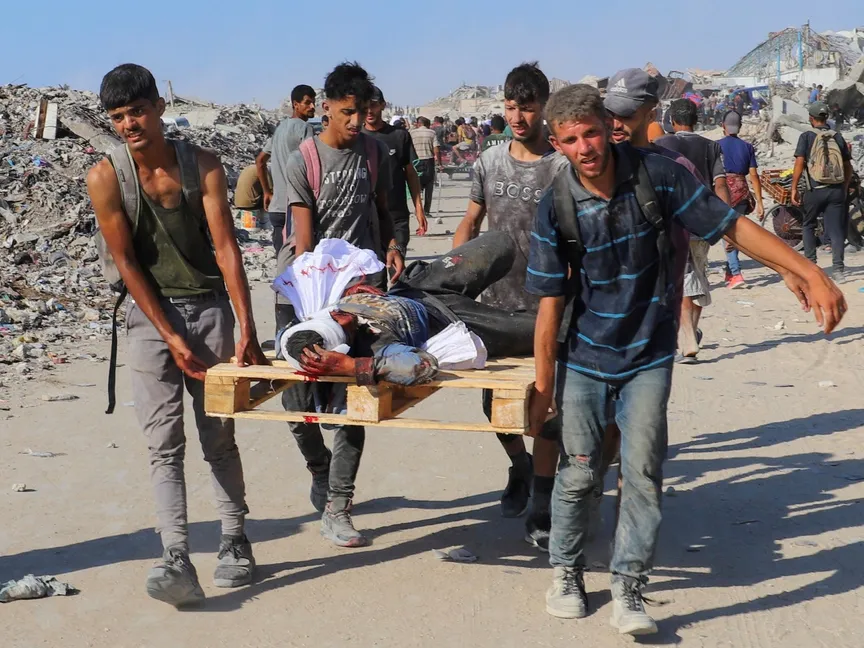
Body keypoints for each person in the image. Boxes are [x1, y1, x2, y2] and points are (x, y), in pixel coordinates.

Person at [527, 82, 845, 635]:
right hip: (585, 358)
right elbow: (550, 306)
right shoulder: (555, 205)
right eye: (571, 140)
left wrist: (805, 270)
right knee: (578, 473)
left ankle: (629, 586)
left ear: (608, 129)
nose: (585, 148)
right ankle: (567, 573)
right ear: (556, 144)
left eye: (591, 134)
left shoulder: (658, 177)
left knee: (643, 473)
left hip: (649, 355)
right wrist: (542, 386)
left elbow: (732, 225)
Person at [86, 64, 268, 607]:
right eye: (118, 116)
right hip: (148, 319)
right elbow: (125, 262)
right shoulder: (107, 177)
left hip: (210, 311)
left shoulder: (202, 166)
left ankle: (234, 540)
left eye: (137, 111)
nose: (129, 124)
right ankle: (176, 557)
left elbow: (226, 248)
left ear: (159, 108)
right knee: (162, 444)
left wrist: (246, 328)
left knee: (218, 436)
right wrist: (169, 334)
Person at [277, 62, 404, 548]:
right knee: (296, 396)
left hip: (360, 292)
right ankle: (319, 467)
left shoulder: (374, 153)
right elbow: (304, 241)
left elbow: (382, 209)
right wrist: (317, 308)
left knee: (356, 392)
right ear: (326, 107)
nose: (355, 121)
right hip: (307, 289)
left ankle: (339, 504)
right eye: (347, 111)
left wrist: (391, 247)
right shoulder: (303, 160)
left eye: (361, 111)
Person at [453, 62, 568, 551]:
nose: (518, 117)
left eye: (527, 107)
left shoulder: (561, 166)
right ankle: (519, 465)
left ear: (544, 108)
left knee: (546, 404)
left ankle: (542, 501)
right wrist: (455, 272)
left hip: (546, 306)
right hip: (494, 306)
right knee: (494, 405)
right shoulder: (489, 162)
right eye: (510, 107)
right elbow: (471, 221)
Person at [278, 231, 536, 385]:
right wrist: (354, 367)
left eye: (334, 316)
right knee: (544, 329)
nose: (344, 316)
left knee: (500, 242)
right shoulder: (377, 348)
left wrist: (353, 293)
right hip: (453, 321)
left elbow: (283, 340)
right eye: (341, 326)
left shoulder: (313, 323)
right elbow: (422, 366)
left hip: (419, 288)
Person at [656, 98, 731, 361]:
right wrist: (726, 222)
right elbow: (721, 185)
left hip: (675, 223)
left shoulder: (661, 145)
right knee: (697, 275)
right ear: (695, 120)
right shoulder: (712, 146)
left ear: (672, 120)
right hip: (703, 223)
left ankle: (688, 337)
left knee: (683, 280)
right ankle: (693, 330)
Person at [791, 101, 854, 281]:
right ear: (826, 118)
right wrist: (844, 186)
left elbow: (799, 163)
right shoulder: (837, 137)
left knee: (808, 225)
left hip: (814, 190)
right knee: (835, 229)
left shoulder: (806, 136)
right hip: (836, 190)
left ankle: (811, 267)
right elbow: (848, 166)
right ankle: (838, 270)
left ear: (811, 119)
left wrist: (794, 188)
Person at [364, 86, 428, 252]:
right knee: (374, 268)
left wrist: (418, 209)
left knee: (397, 263)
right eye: (365, 105)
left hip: (396, 217)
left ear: (383, 105)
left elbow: (411, 174)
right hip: (366, 219)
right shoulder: (357, 138)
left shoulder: (399, 136)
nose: (369, 110)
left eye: (373, 105)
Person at [256, 84, 317, 255]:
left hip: (277, 209)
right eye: (307, 102)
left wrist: (267, 192)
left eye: (313, 102)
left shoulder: (280, 129)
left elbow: (260, 161)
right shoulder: (305, 128)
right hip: (296, 209)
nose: (312, 106)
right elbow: (313, 164)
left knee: (282, 262)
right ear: (295, 104)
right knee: (301, 262)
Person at [718, 110, 765, 286]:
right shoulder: (747, 147)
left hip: (722, 191)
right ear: (740, 127)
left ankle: (736, 274)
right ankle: (730, 272)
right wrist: (760, 202)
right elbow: (754, 176)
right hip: (742, 192)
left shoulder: (715, 146)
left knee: (727, 233)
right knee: (735, 231)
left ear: (723, 126)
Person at [410, 116, 442, 216]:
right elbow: (436, 149)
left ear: (418, 124)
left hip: (415, 162)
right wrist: (440, 163)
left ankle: (418, 209)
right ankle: (426, 211)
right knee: (429, 187)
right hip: (428, 161)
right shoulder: (432, 133)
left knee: (416, 187)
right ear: (427, 124)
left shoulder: (412, 133)